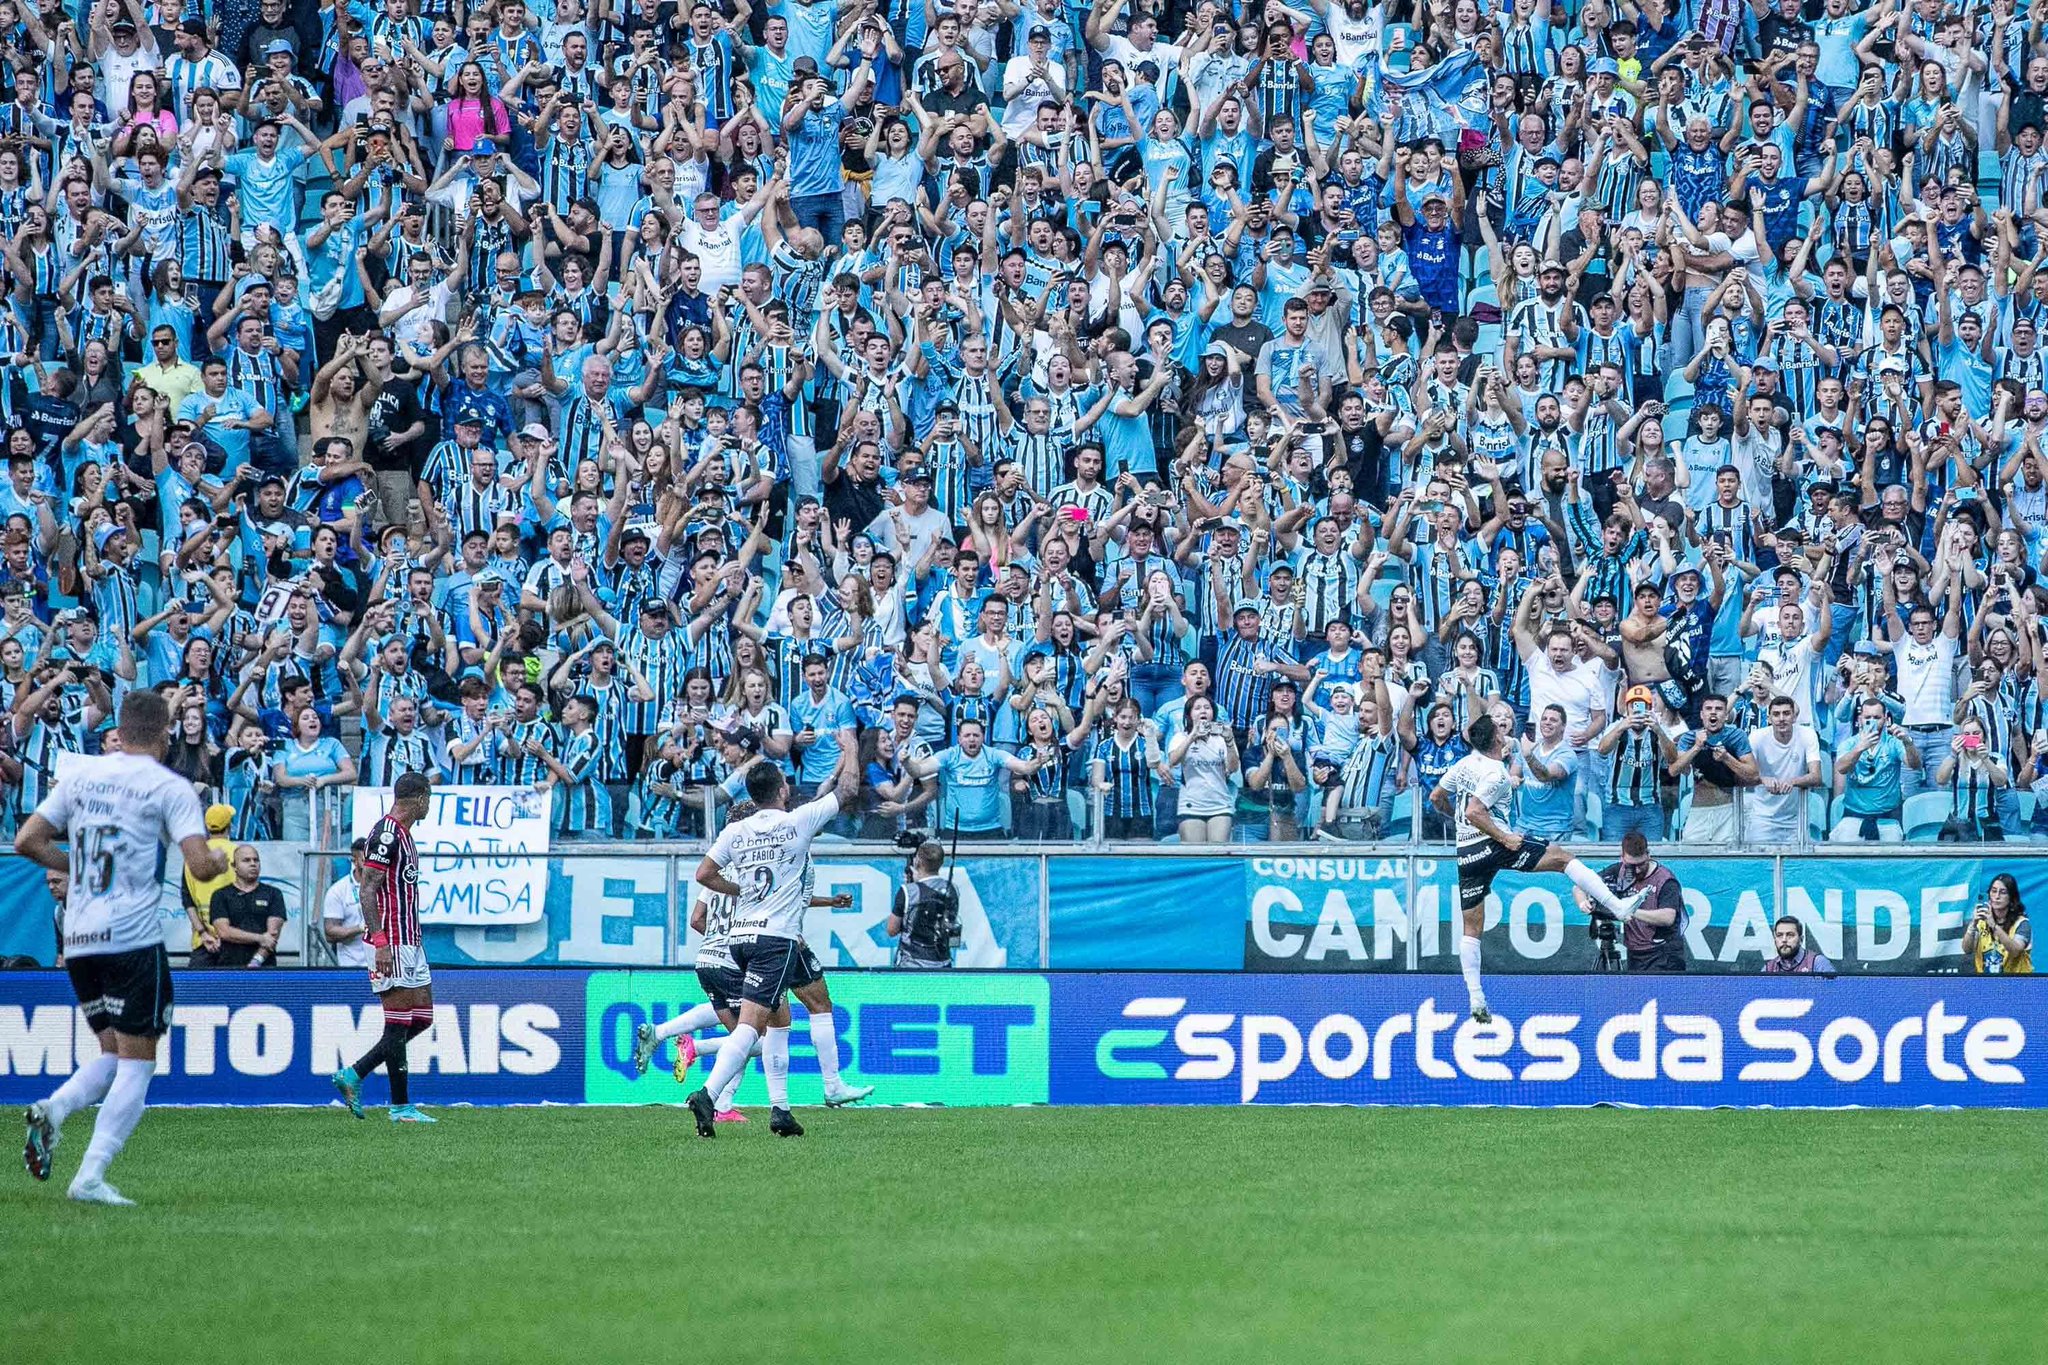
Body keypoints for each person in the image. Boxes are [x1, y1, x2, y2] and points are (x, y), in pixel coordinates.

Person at [18, 691, 225, 1205]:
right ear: (165, 732)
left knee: (112, 1049)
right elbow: (199, 866)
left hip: (81, 938)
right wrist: (221, 860)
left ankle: (56, 1108)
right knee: (139, 1060)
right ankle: (90, 1175)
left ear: (120, 728)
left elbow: (27, 840)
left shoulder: (82, 776)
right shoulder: (169, 786)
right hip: (131, 938)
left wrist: (79, 872)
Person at [632, 819, 873, 1115]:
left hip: (712, 957)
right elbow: (775, 897)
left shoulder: (729, 867)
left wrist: (827, 902)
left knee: (758, 1028)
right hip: (758, 948)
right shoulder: (776, 855)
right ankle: (719, 1094)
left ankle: (712, 1082)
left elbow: (697, 918)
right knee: (758, 1034)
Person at [1433, 713, 1649, 1022]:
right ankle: (1618, 908)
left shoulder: (1463, 765)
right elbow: (1475, 811)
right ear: (1496, 739)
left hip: (1465, 852)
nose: (1505, 731)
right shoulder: (1496, 773)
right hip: (1492, 843)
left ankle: (1476, 998)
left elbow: (1437, 797)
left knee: (1471, 928)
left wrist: (1454, 821)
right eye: (1500, 728)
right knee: (1563, 859)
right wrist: (1504, 837)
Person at [685, 761, 857, 1137]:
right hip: (775, 939)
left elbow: (703, 875)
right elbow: (846, 792)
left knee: (780, 1022)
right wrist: (849, 747)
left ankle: (781, 1111)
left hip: (740, 938)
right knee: (752, 1029)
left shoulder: (735, 830)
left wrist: (738, 890)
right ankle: (709, 1094)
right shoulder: (795, 822)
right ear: (782, 789)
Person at [329, 772, 437, 1123]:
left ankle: (355, 1074)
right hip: (391, 938)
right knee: (398, 1023)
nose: (429, 806)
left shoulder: (404, 835)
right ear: (420, 799)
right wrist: (380, 941)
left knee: (421, 1017)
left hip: (411, 938)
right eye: (429, 799)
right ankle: (400, 1106)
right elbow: (367, 889)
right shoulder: (388, 833)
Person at [1578, 831, 1688, 972]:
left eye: (1641, 864)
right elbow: (1580, 885)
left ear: (1648, 854)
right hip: (1635, 953)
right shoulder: (1619, 871)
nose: (1636, 870)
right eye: (1631, 865)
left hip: (1663, 953)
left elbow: (1668, 917)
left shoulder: (1665, 880)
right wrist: (1583, 902)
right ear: (1622, 857)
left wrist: (1630, 909)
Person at [204, 844, 287, 967]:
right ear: (234, 866)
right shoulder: (220, 895)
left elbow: (272, 935)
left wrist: (256, 961)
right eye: (246, 860)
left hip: (264, 966)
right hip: (229, 966)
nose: (253, 864)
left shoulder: (273, 894)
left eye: (256, 860)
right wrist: (260, 938)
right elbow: (224, 932)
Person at [888, 840, 959, 968]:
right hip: (943, 965)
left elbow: (892, 930)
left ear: (917, 862)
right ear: (941, 863)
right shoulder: (952, 890)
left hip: (911, 965)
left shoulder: (907, 891)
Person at [1963, 874, 2033, 975]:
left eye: (2003, 892)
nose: (1997, 896)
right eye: (1994, 891)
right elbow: (1967, 949)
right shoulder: (1981, 922)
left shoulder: (2022, 924)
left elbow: (2015, 951)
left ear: (2011, 897)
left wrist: (1994, 925)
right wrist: (1973, 925)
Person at [321, 838, 374, 970]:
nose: (370, 864)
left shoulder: (385, 887)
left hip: (382, 966)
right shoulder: (338, 891)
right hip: (351, 967)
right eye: (365, 859)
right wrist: (361, 928)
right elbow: (330, 933)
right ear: (354, 860)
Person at [1761, 916, 1833, 974]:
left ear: (1801, 939)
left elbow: (1833, 991)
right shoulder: (1768, 968)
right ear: (1775, 940)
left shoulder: (1817, 963)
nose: (1784, 940)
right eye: (1779, 935)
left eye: (1790, 935)